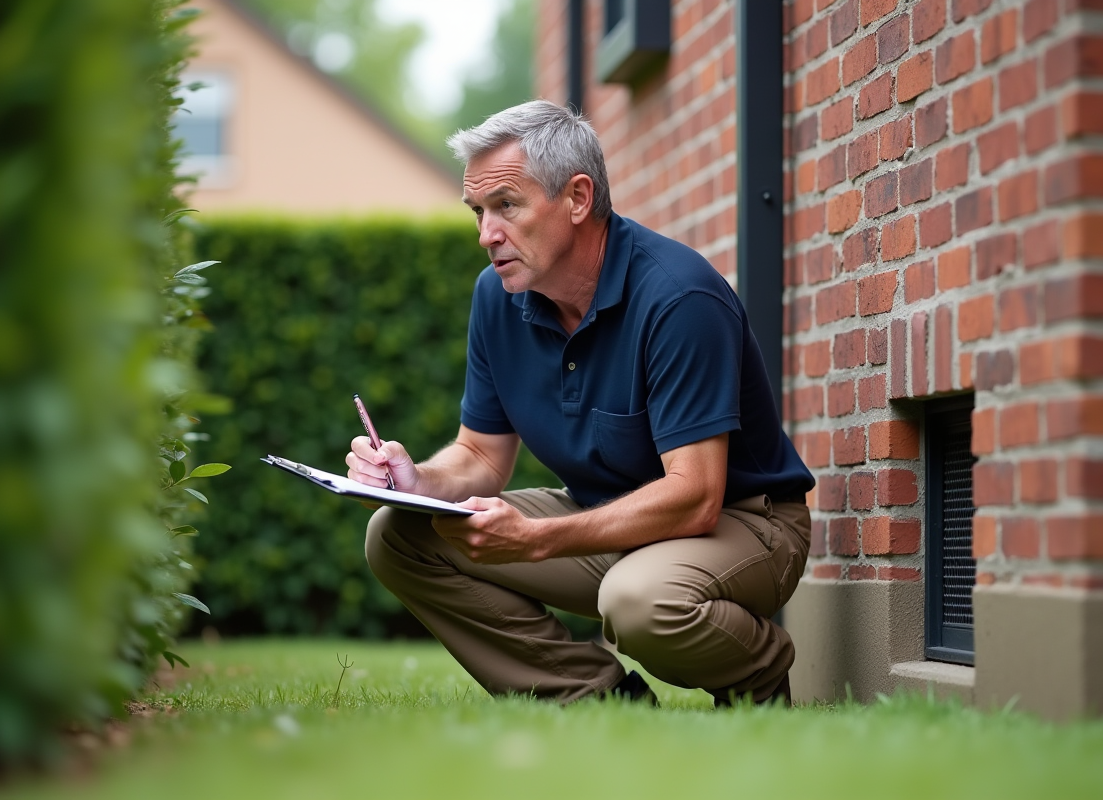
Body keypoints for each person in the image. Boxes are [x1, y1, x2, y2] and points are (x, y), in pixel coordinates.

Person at [346, 100, 814, 706]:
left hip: (746, 521)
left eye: (506, 206)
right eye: (479, 212)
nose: (486, 234)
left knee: (638, 602)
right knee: (399, 533)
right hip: (609, 517)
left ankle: (759, 677)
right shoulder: (497, 297)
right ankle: (600, 702)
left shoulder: (678, 297)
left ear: (577, 197)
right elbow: (481, 455)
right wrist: (420, 481)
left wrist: (538, 540)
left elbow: (696, 497)